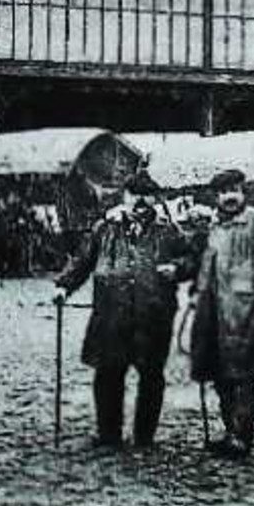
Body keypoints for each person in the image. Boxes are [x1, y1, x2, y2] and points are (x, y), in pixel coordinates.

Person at [53, 170, 197, 450]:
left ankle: (144, 437)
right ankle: (108, 435)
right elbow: (82, 261)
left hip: (153, 316)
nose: (140, 201)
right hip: (111, 315)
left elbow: (192, 259)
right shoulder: (104, 230)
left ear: (154, 199)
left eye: (146, 195)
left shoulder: (169, 232)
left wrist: (178, 269)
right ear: (124, 197)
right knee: (108, 373)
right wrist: (63, 286)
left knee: (151, 376)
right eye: (134, 195)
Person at [188, 168, 254, 458]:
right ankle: (230, 430)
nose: (229, 196)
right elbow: (207, 263)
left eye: (234, 190)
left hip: (249, 314)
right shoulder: (215, 226)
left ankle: (242, 436)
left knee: (245, 375)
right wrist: (198, 292)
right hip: (214, 314)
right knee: (220, 374)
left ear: (243, 192)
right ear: (216, 197)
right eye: (222, 192)